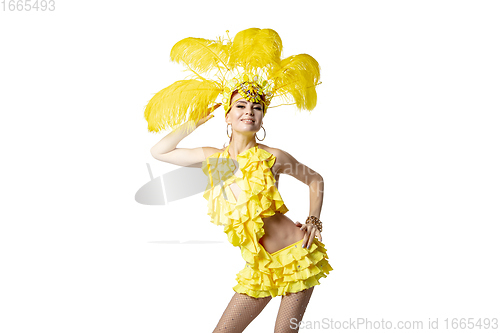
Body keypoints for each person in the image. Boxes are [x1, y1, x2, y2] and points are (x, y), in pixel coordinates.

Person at [145, 28, 333, 332]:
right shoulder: (214, 160)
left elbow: (315, 179)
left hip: (298, 254)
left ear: (261, 119)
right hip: (259, 266)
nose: (249, 111)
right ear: (228, 116)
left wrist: (314, 220)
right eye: (241, 106)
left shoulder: (273, 156)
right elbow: (160, 151)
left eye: (257, 108)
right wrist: (195, 121)